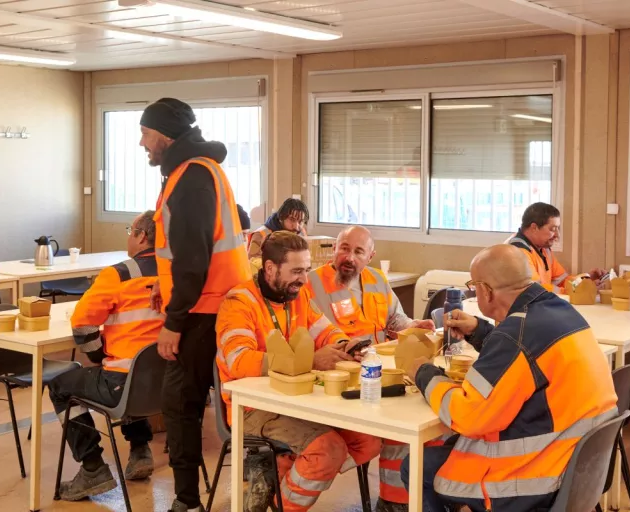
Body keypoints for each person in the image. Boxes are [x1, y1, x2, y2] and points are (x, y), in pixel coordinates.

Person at [400, 244, 618, 511]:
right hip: (577, 465)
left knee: (417, 466)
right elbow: (526, 356)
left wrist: (423, 373)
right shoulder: (559, 311)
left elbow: (468, 416)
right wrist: (479, 330)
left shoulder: (514, 336)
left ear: (486, 291)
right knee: (451, 447)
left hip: (533, 478)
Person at [216, 231, 382, 512]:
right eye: (296, 271)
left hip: (297, 400)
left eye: (306, 270)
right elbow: (238, 361)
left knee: (368, 441)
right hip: (252, 408)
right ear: (270, 268)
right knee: (327, 451)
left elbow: (326, 331)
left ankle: (277, 471)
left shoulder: (297, 295)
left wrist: (344, 345)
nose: (304, 279)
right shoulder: (239, 302)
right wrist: (310, 362)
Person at [140, 97, 251, 512]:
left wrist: (174, 319)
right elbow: (186, 254)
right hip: (219, 304)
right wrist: (164, 290)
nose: (142, 143)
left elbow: (194, 260)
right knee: (214, 404)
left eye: (146, 134)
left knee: (181, 409)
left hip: (203, 311)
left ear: (166, 136)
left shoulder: (190, 177)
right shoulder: (202, 170)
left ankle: (185, 502)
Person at [306, 225, 436, 512]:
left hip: (380, 372)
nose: (349, 257)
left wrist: (413, 326)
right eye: (344, 248)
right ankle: (394, 501)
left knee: (421, 418)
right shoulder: (313, 283)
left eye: (358, 251)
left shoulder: (377, 280)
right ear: (335, 248)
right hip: (341, 379)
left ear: (370, 256)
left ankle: (395, 501)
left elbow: (396, 319)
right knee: (401, 423)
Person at [50, 211, 163, 501]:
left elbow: (83, 325)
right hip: (168, 387)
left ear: (141, 235)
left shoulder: (118, 274)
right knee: (134, 371)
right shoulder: (178, 275)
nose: (128, 235)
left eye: (130, 229)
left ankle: (92, 467)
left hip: (121, 384)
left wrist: (100, 357)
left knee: (60, 384)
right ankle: (139, 450)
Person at [507, 202, 605, 292]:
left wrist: (586, 279)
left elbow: (561, 281)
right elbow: (535, 289)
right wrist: (577, 291)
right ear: (534, 228)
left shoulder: (544, 249)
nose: (557, 235)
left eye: (558, 228)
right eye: (553, 229)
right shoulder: (518, 252)